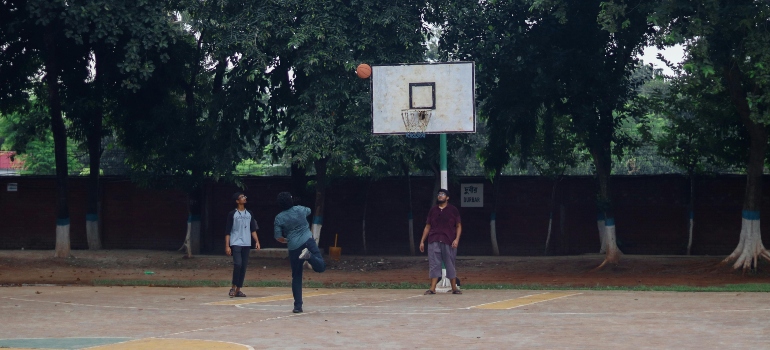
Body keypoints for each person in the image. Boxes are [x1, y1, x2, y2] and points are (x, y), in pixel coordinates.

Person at [274, 192, 325, 313]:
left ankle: (298, 306)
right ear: (290, 201)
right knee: (321, 267)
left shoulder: (279, 218)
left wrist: (288, 240)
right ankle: (309, 256)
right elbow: (309, 210)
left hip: (293, 247)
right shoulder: (300, 209)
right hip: (307, 241)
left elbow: (278, 237)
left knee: (296, 276)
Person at [419, 188, 462, 295]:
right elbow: (427, 226)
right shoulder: (433, 210)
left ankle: (454, 288)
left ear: (447, 198)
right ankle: (432, 288)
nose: (440, 196)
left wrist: (456, 239)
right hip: (434, 239)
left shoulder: (453, 210)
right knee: (434, 264)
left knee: (450, 263)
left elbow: (458, 226)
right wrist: (422, 241)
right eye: (439, 194)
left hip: (449, 240)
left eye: (443, 194)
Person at [225, 192, 261, 297]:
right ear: (237, 201)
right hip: (236, 242)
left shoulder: (249, 213)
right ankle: (233, 287)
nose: (244, 198)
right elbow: (227, 231)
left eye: (244, 196)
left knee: (244, 266)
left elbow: (253, 229)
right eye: (242, 197)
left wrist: (257, 241)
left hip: (246, 243)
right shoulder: (232, 214)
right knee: (238, 264)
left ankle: (238, 289)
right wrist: (227, 245)